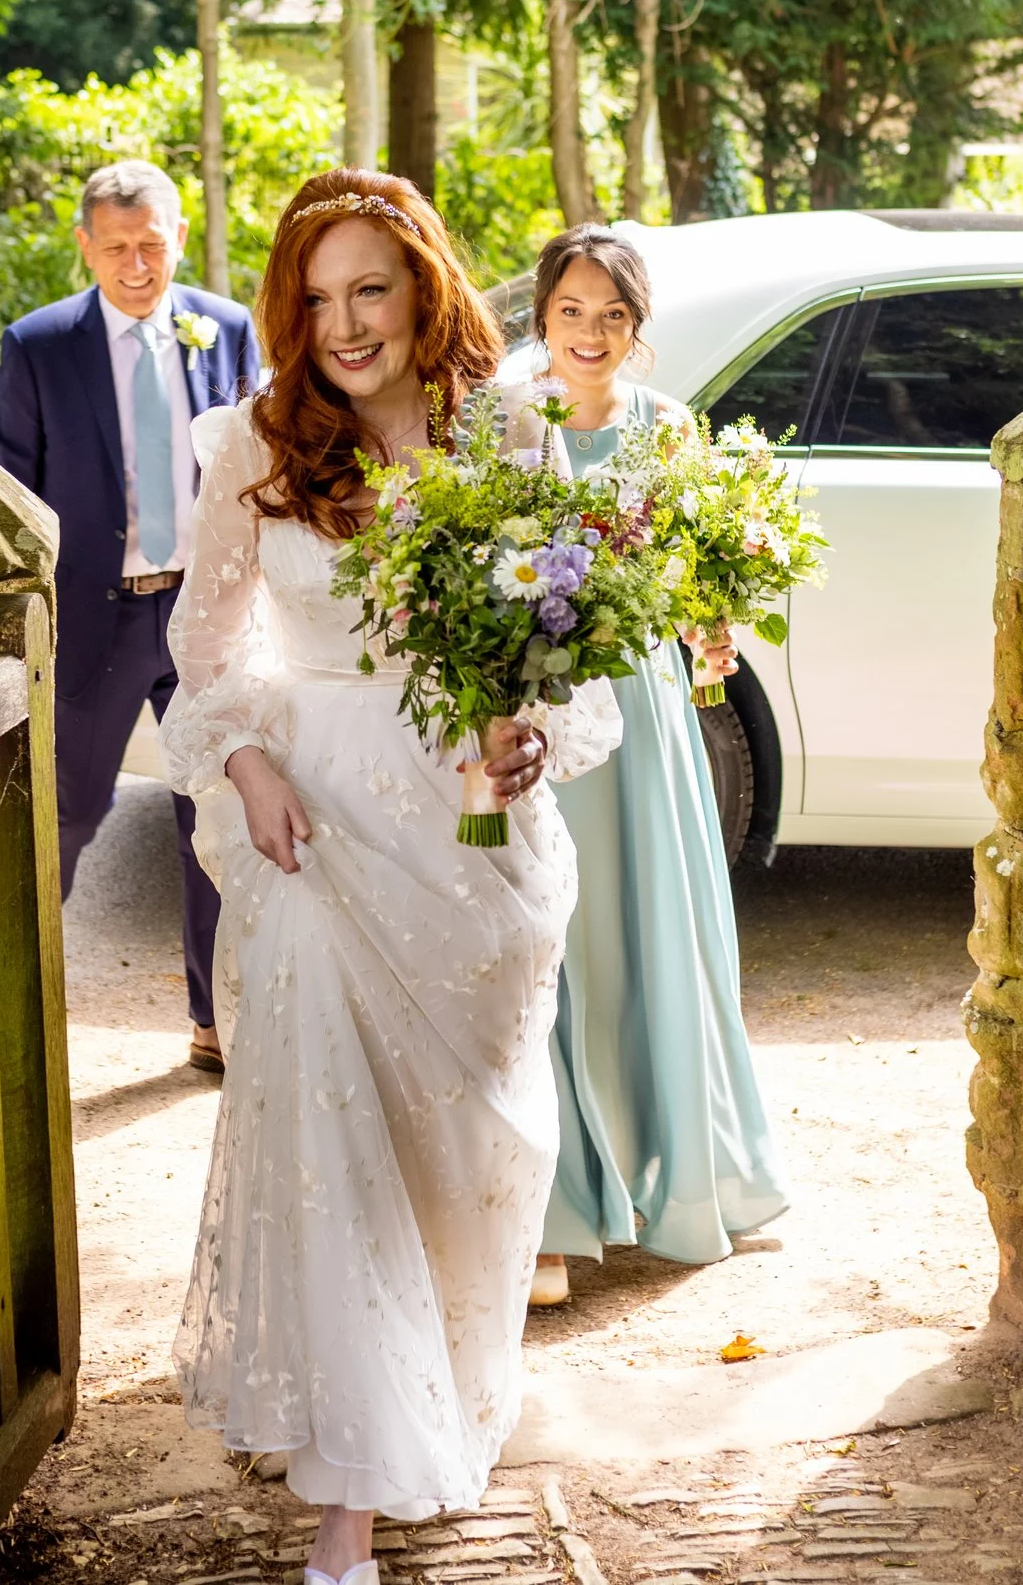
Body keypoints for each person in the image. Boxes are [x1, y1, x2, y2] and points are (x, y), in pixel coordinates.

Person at [160, 169, 621, 1585]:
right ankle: (345, 1504)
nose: (345, 323)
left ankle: (444, 1388)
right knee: (326, 1133)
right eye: (316, 297)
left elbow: (576, 645)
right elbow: (207, 653)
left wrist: (531, 726)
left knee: (463, 1148)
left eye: (371, 287)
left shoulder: (512, 430)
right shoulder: (249, 441)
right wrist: (244, 765)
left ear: (425, 286)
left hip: (467, 831)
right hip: (311, 823)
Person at [500, 227, 789, 1308]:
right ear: (542, 316)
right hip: (537, 706)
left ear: (637, 327)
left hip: (646, 710)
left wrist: (710, 610)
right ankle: (557, 1213)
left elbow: (693, 570)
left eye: (611, 315)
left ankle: (688, 1175)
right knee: (551, 946)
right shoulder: (500, 422)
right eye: (571, 311)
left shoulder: (670, 430)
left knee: (650, 934)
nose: (590, 333)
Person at [0, 159, 261, 1075]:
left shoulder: (226, 328)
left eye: (151, 245)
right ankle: (9, 1018)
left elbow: (260, 460)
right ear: (86, 247)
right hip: (96, 625)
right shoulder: (39, 344)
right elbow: (10, 488)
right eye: (116, 248)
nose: (137, 265)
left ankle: (215, 1018)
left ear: (178, 236)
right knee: (58, 819)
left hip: (207, 616)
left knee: (212, 815)